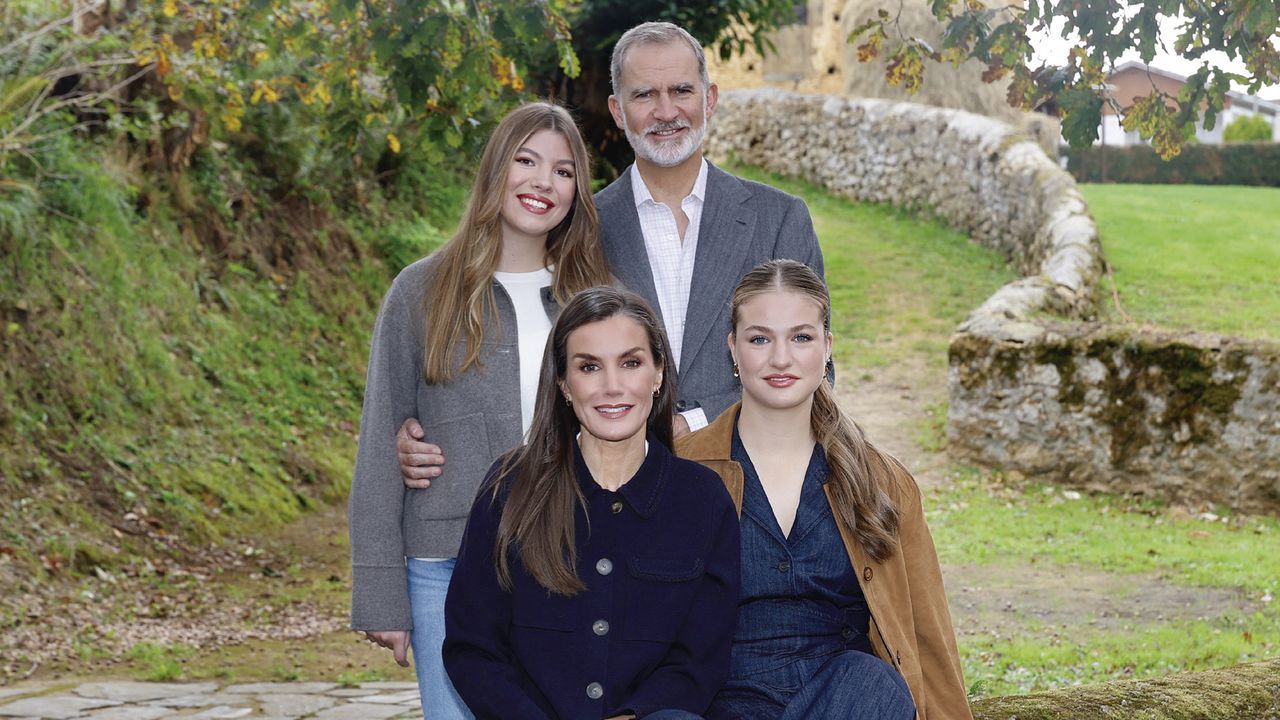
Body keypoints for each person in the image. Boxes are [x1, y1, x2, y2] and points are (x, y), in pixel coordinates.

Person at [396, 21, 825, 488]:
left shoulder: (779, 218)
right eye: (644, 95)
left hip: (754, 485)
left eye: (681, 90)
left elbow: (818, 368)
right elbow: (524, 337)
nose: (666, 111)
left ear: (710, 99)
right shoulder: (578, 228)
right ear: (618, 111)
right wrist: (431, 427)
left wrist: (696, 423)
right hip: (611, 498)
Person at [348, 102, 613, 719]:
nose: (542, 182)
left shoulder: (597, 297)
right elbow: (379, 446)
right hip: (444, 565)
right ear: (495, 168)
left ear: (578, 190)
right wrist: (380, 594)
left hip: (567, 558)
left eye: (564, 170)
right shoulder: (421, 291)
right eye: (525, 161)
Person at [677, 260, 972, 720]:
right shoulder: (679, 472)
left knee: (870, 680)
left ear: (827, 347)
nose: (781, 358)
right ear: (733, 350)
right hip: (721, 700)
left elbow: (930, 639)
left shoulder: (883, 482)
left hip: (847, 704)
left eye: (801, 337)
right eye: (760, 338)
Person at [442, 286, 741, 720]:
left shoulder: (702, 498)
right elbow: (474, 647)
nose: (612, 387)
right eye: (589, 367)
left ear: (658, 374)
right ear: (563, 382)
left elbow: (700, 658)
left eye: (631, 363)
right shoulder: (510, 486)